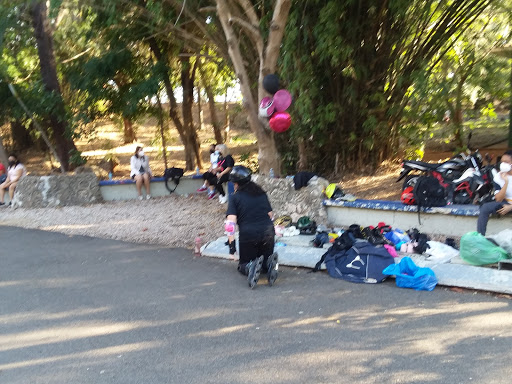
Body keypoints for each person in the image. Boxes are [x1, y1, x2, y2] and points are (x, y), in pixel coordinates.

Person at [225, 165, 279, 289]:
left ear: (236, 183)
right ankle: (269, 264)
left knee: (243, 265)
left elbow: (230, 223)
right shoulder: (261, 194)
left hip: (248, 236)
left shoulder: (235, 197)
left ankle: (249, 267)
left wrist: (232, 247)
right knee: (263, 263)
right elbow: (271, 215)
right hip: (268, 233)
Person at [477, 150, 512, 235]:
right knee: (485, 208)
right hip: (505, 203)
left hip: (510, 206)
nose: (503, 164)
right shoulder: (498, 177)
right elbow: (498, 199)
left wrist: (511, 207)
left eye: (506, 162)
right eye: (502, 162)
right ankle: (480, 238)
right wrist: (506, 182)